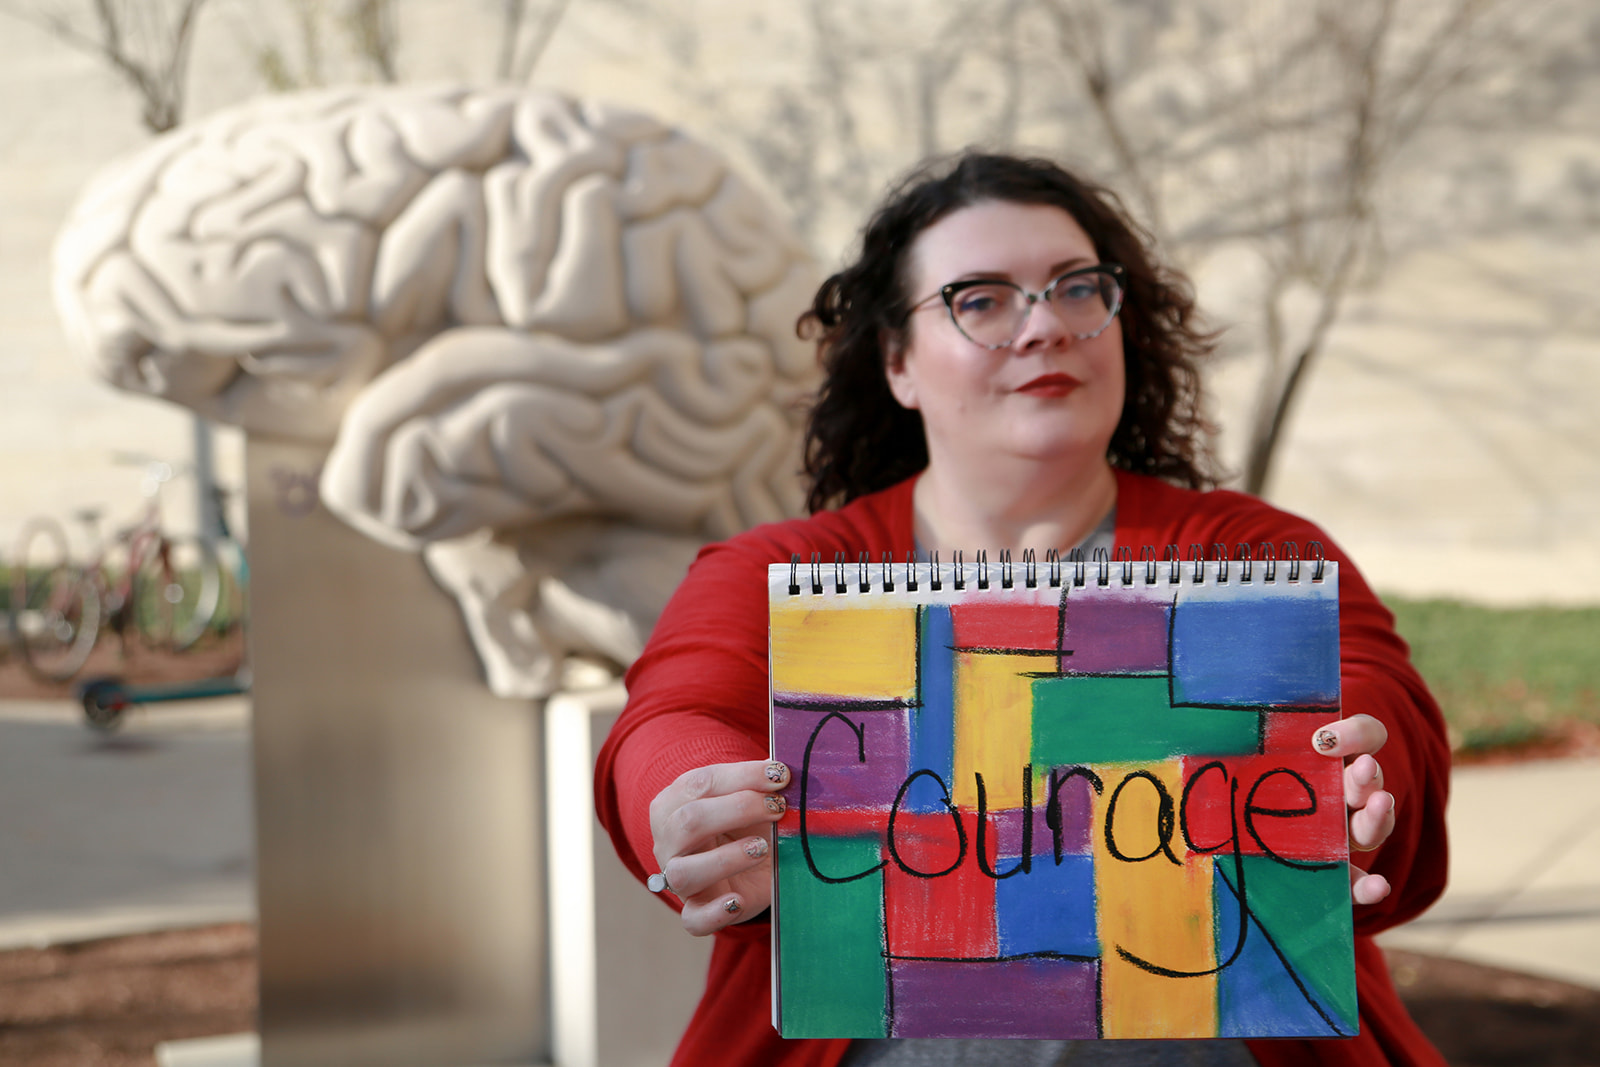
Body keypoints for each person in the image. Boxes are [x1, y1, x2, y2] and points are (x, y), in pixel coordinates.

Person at [594, 151, 1450, 1067]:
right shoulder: (783, 570)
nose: (1045, 325)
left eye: (1078, 288)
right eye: (982, 299)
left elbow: (1380, 700)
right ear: (898, 362)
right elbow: (676, 712)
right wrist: (701, 797)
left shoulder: (1258, 556)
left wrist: (1363, 774)